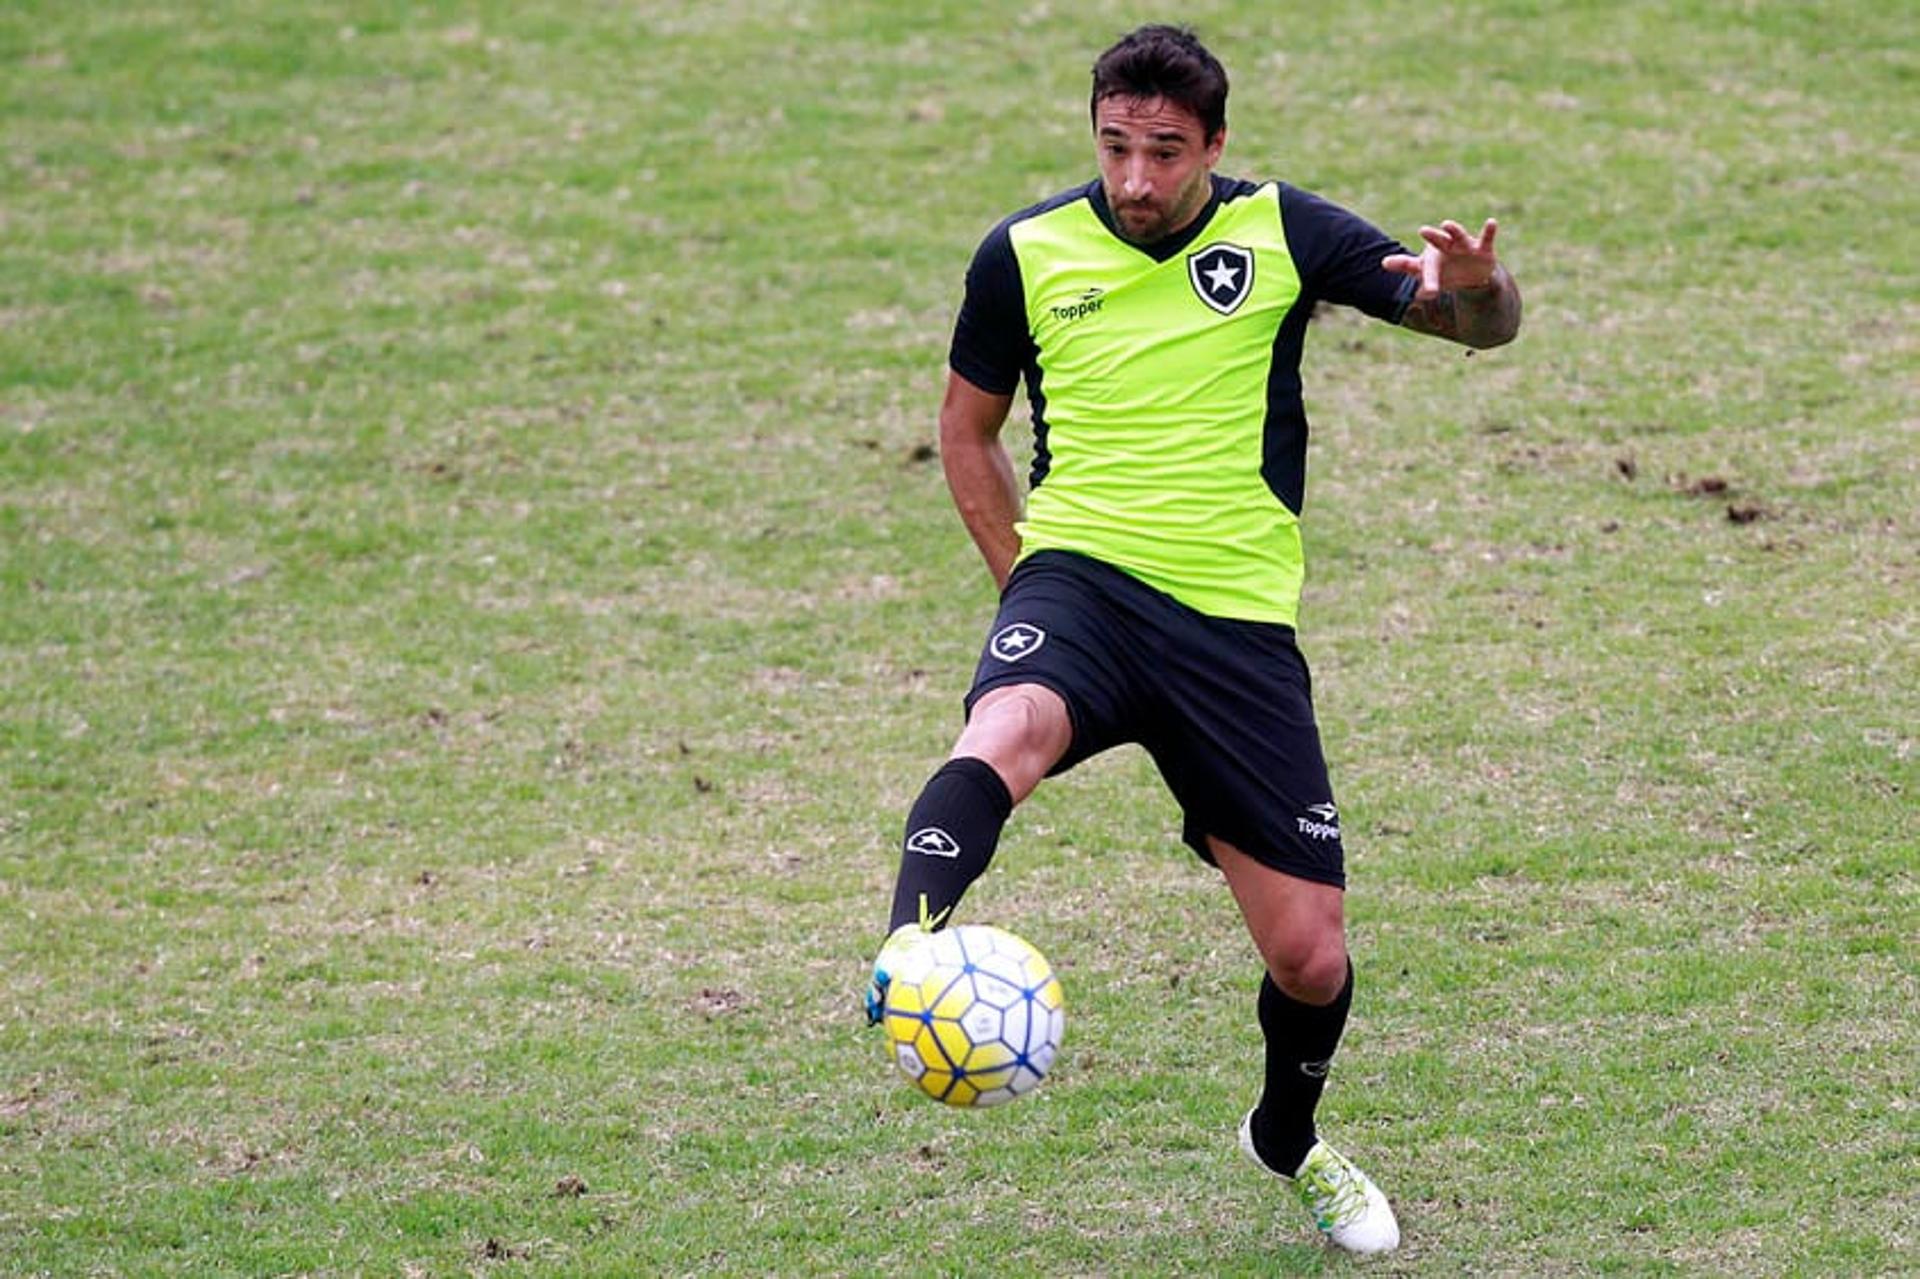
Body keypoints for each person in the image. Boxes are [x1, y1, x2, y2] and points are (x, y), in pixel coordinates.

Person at [864, 23, 1520, 1256]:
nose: (1136, 178)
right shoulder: (1024, 253)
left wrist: (1478, 286)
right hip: (1083, 590)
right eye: (1115, 147)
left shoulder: (1283, 231)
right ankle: (908, 943)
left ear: (1215, 145)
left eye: (1165, 152)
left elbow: (1475, 329)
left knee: (1312, 956)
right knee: (1005, 726)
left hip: (1233, 630)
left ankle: (1287, 1138)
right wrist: (1027, 589)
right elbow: (967, 432)